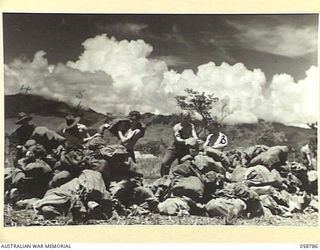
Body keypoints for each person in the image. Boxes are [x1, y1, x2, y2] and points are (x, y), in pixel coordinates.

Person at [160, 111, 199, 176]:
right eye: (184, 118)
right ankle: (164, 178)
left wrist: (196, 140)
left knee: (183, 166)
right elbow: (178, 139)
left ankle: (179, 181)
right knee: (165, 163)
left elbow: (194, 135)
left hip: (185, 148)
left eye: (188, 118)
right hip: (174, 147)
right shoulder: (177, 127)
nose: (186, 120)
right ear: (181, 118)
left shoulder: (191, 126)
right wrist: (188, 141)